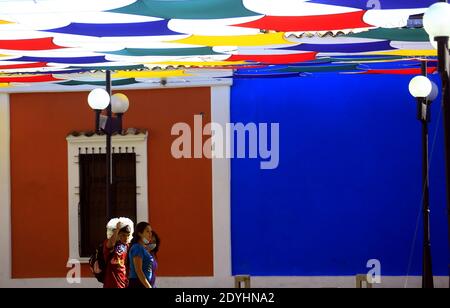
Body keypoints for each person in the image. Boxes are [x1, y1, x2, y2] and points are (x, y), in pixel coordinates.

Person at [103, 217, 134, 289]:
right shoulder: (108, 243)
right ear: (118, 234)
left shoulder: (127, 246)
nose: (126, 238)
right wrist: (117, 229)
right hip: (111, 284)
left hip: (123, 283)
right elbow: (111, 243)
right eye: (123, 235)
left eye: (128, 235)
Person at [128, 222, 156, 288]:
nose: (150, 234)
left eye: (151, 231)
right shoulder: (137, 248)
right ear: (140, 233)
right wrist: (148, 287)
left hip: (142, 283)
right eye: (147, 231)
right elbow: (138, 271)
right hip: (137, 283)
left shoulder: (143, 248)